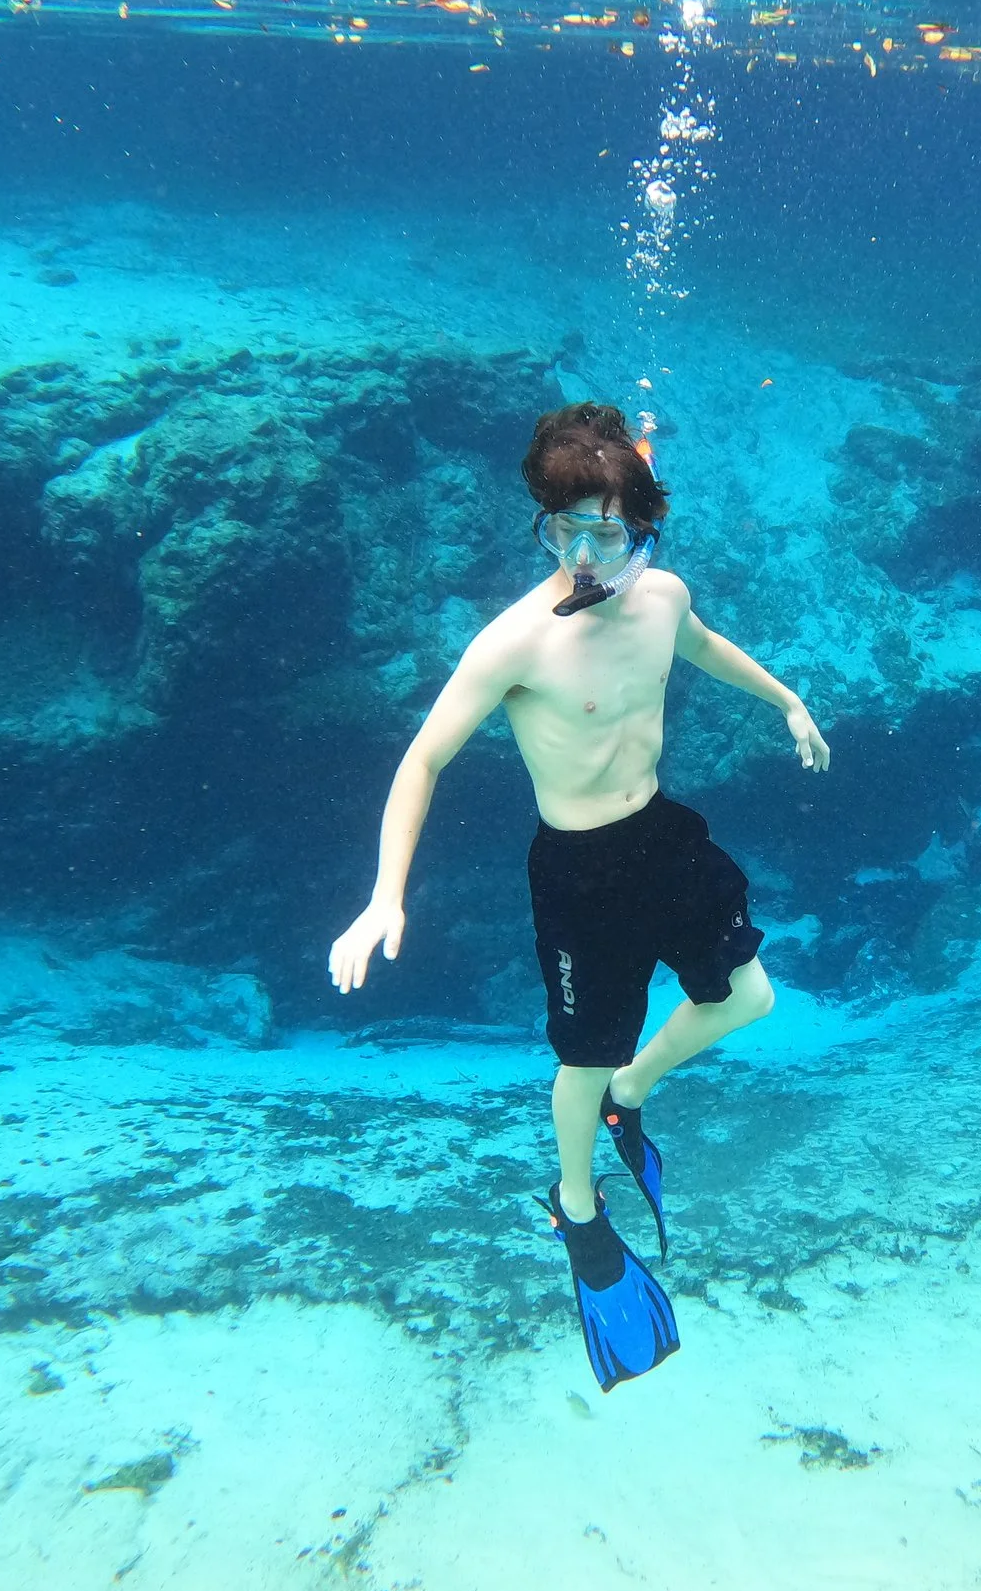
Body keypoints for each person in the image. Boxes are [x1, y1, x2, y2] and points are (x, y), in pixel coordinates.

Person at [328, 400, 830, 1390]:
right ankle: (577, 1207)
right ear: (543, 526)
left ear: (645, 527)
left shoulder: (662, 597)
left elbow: (701, 646)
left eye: (609, 530)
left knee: (747, 997)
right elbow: (422, 760)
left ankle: (634, 1097)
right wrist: (384, 896)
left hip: (660, 835)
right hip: (578, 875)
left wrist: (787, 699)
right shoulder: (515, 642)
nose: (588, 554)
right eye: (567, 530)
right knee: (582, 1057)